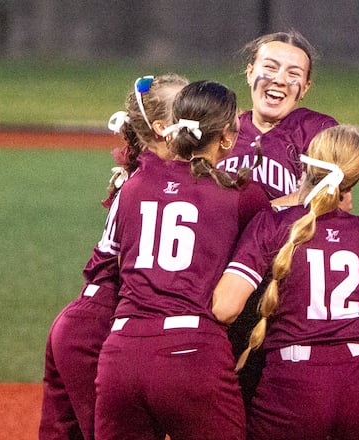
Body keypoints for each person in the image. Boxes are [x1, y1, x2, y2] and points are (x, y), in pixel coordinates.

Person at [94, 80, 270, 440]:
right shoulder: (241, 196)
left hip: (120, 355)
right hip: (191, 354)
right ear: (226, 137)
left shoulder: (135, 186)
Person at [212, 125, 359, 440]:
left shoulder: (272, 223)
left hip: (294, 382)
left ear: (305, 162)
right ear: (351, 182)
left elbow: (225, 307)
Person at [39, 73, 188, 440]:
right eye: (188, 112)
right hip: (99, 329)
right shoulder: (158, 187)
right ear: (163, 128)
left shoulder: (141, 177)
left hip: (80, 323)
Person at [215, 30, 342, 406]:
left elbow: (336, 197)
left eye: (293, 73)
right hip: (221, 285)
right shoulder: (221, 129)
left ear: (304, 87)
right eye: (269, 67)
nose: (279, 80)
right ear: (250, 70)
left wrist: (259, 213)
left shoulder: (316, 130)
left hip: (282, 295)